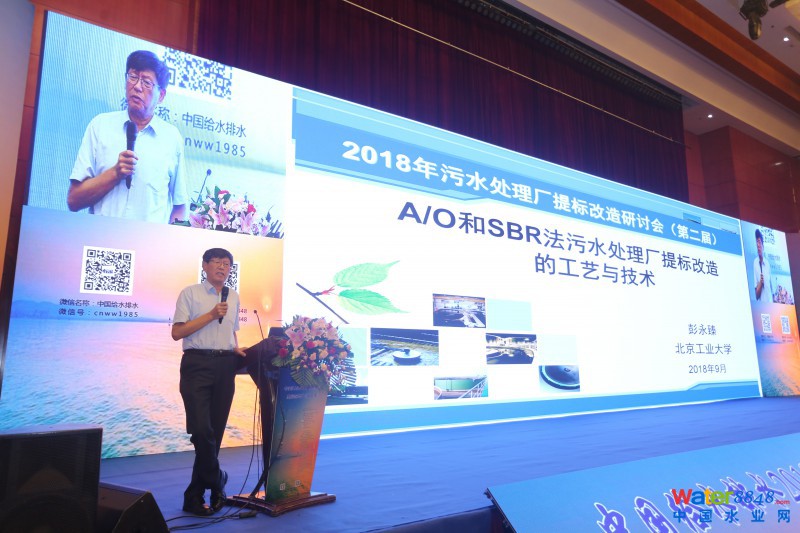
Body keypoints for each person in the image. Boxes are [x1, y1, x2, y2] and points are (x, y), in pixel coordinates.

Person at [67, 50, 187, 224]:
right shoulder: (100, 126)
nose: (137, 86)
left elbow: (180, 206)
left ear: (161, 95)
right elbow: (73, 200)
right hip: (101, 238)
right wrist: (115, 173)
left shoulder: (171, 138)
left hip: (148, 240)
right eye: (133, 77)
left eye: (146, 82)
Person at [172, 248, 245, 516]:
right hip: (197, 365)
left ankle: (194, 496)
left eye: (227, 264)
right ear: (204, 265)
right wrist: (211, 315)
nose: (222, 267)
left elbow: (231, 331)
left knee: (215, 433)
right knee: (201, 431)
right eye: (217, 262)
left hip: (226, 366)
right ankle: (218, 479)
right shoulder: (190, 293)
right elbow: (177, 332)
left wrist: (235, 348)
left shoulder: (233, 296)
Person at [753, 229, 774, 302]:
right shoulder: (755, 263)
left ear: (763, 245)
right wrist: (760, 283)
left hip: (771, 303)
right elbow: (756, 296)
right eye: (756, 243)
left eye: (759, 242)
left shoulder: (767, 263)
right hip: (762, 306)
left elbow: (772, 288)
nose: (758, 245)